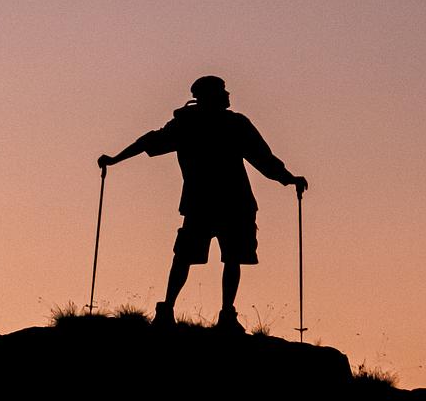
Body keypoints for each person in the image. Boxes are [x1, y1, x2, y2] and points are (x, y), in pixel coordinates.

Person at [98, 76, 307, 332]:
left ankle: (182, 310)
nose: (228, 94)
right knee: (217, 258)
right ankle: (209, 313)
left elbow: (147, 142)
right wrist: (288, 179)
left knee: (201, 257)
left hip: (211, 203)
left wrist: (114, 159)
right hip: (229, 202)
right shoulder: (223, 124)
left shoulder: (191, 124)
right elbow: (263, 158)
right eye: (222, 91)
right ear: (210, 96)